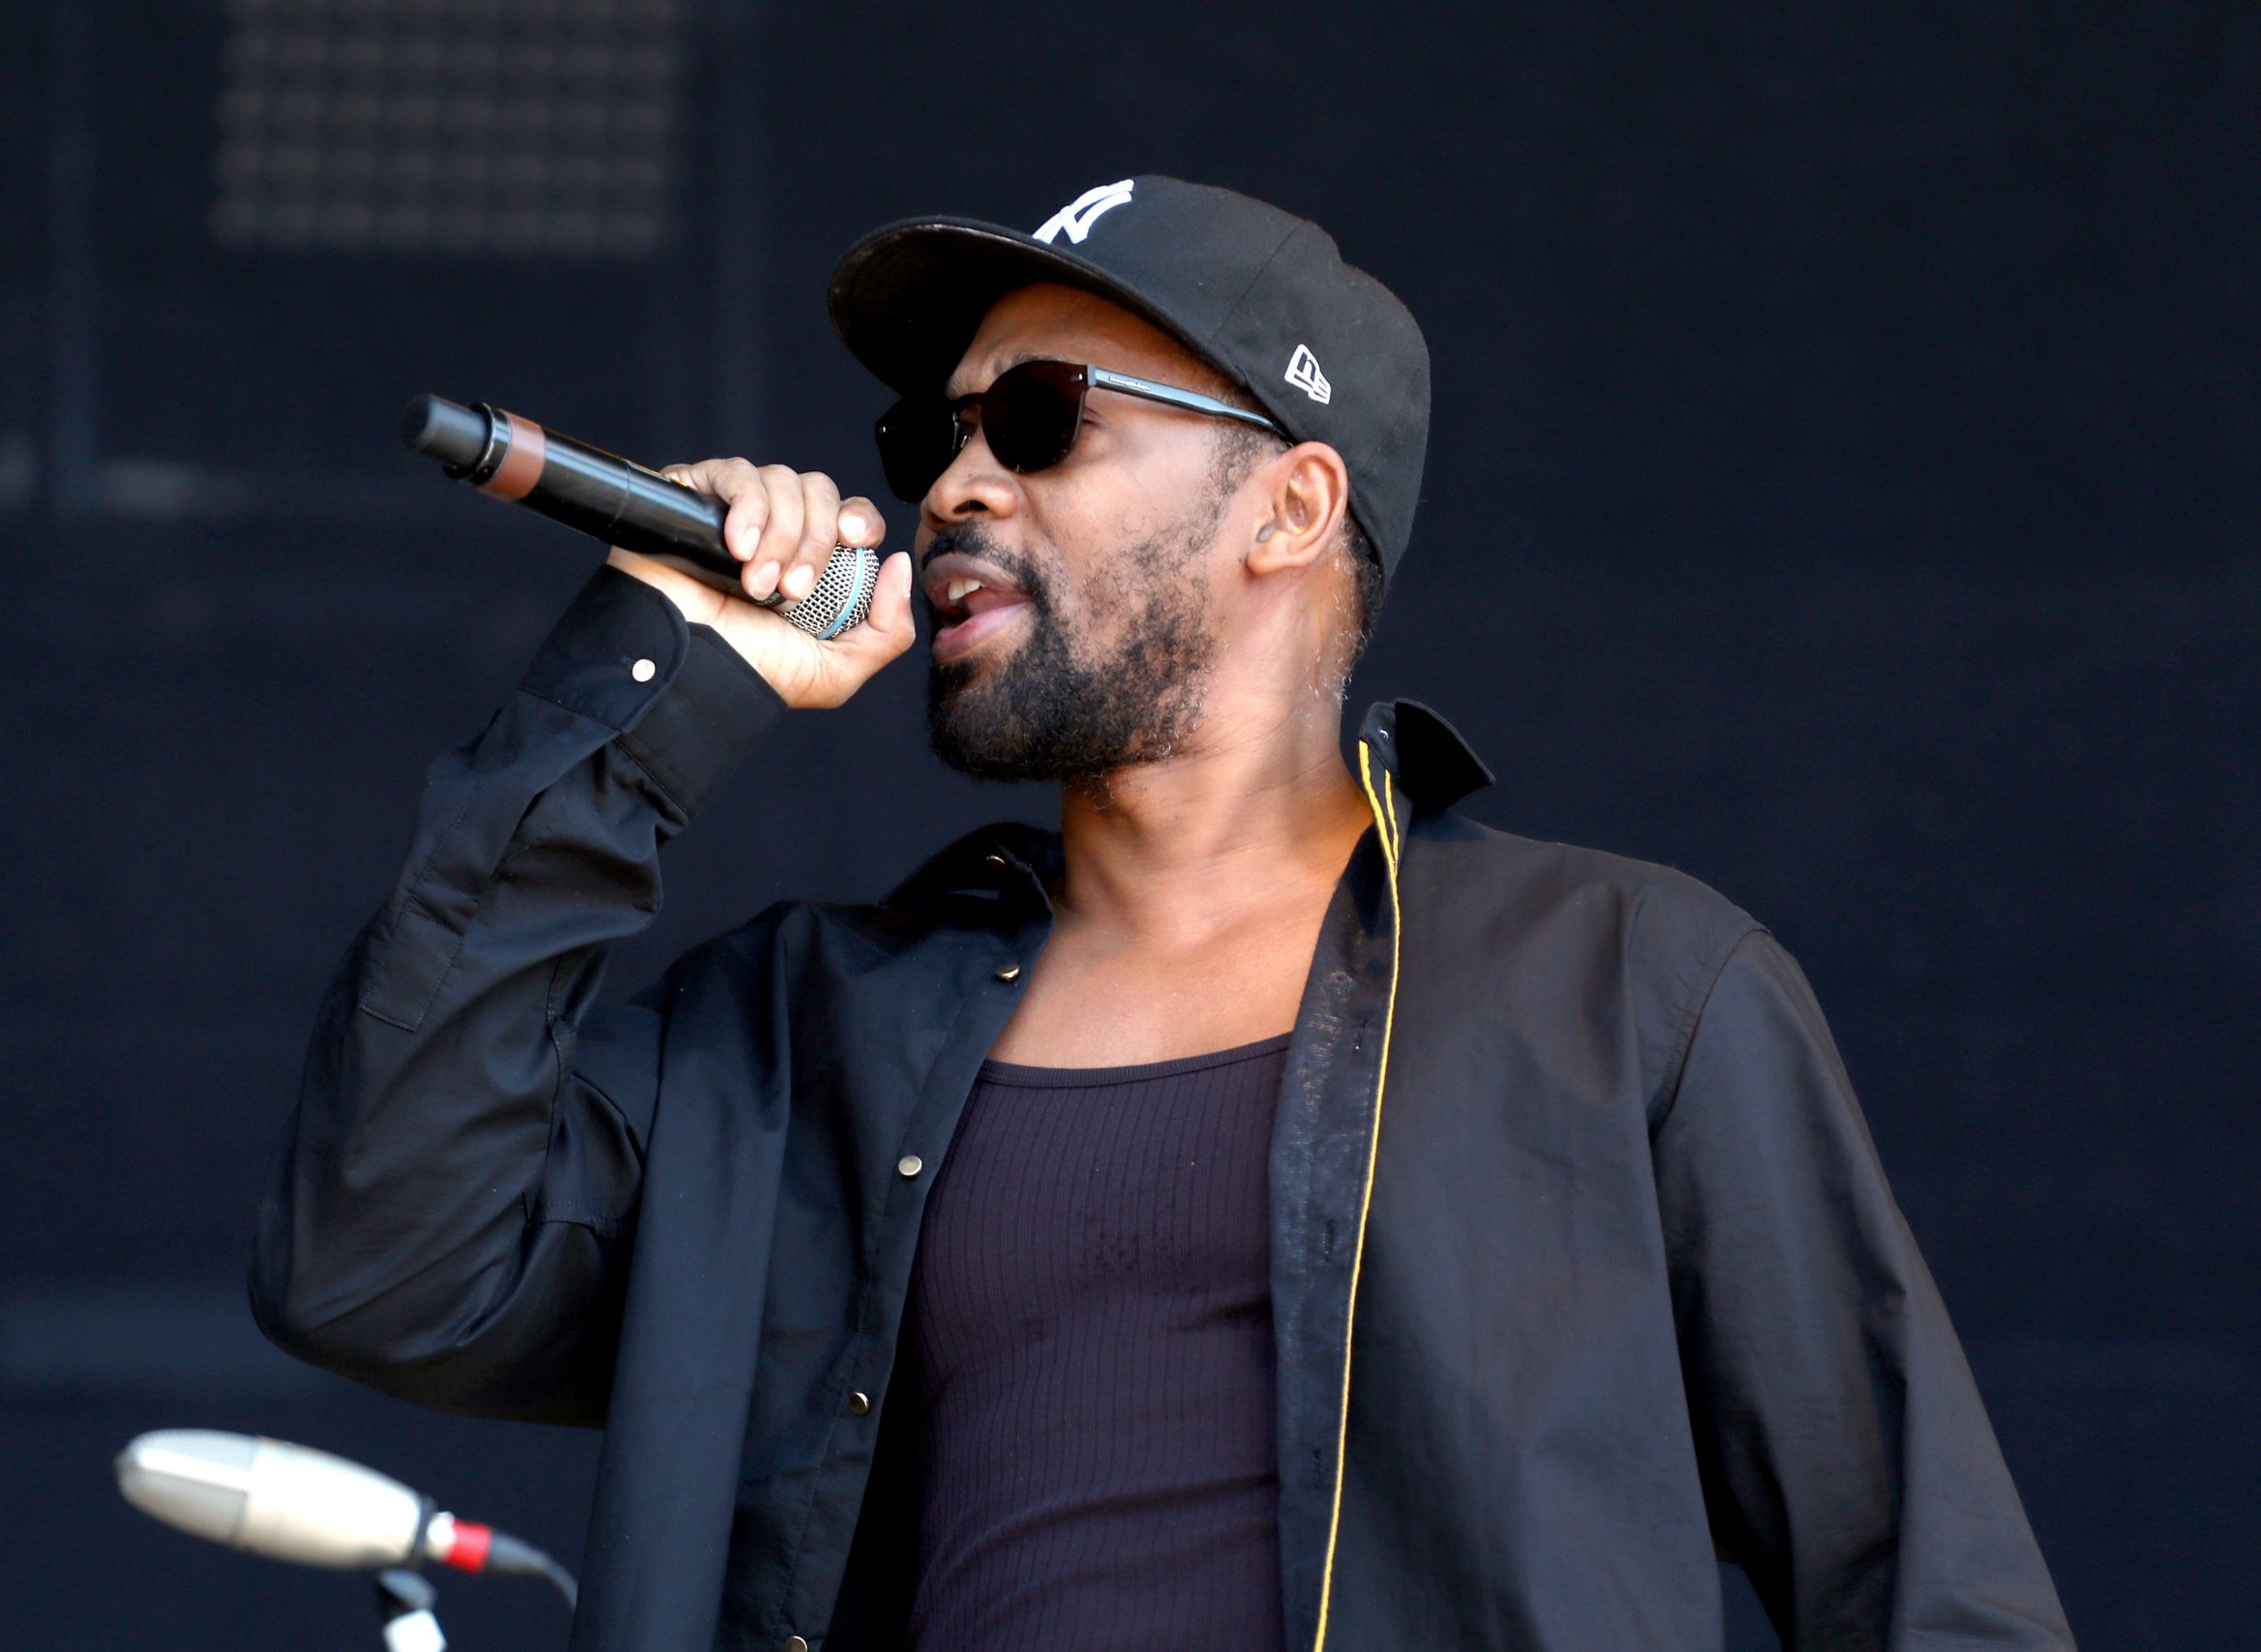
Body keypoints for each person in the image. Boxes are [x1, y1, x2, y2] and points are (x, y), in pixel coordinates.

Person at [251, 177, 2072, 1652]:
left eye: (1040, 420)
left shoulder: (1626, 992)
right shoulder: (805, 1036)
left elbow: (1931, 1595)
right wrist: (650, 691)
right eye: (932, 432)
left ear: (1290, 506)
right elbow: (380, 1263)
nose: (951, 486)